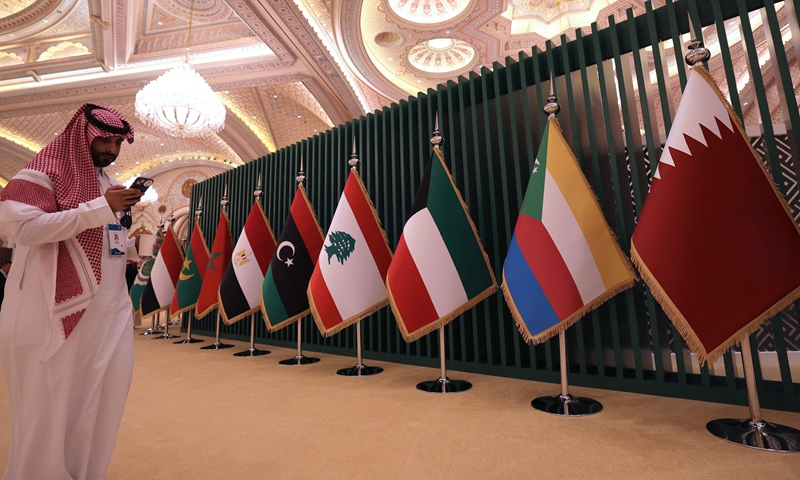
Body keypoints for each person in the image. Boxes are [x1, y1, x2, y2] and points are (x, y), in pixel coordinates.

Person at [0, 104, 143, 479]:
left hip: (109, 313)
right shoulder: (42, 174)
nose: (111, 148)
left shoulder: (106, 183)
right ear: (82, 135)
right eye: (104, 139)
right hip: (55, 312)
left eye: (117, 141)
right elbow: (26, 231)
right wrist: (101, 208)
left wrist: (118, 224)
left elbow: (107, 240)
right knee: (49, 407)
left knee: (99, 402)